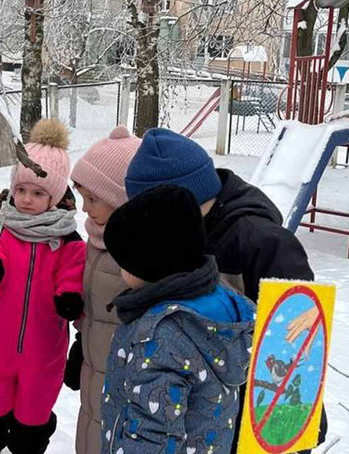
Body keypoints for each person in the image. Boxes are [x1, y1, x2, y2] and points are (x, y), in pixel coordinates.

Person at [124, 128, 325, 450]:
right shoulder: (174, 236)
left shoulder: (261, 242)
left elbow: (299, 335)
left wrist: (292, 426)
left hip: (254, 414)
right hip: (203, 411)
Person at [0, 119, 86, 454]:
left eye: (38, 192)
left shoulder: (68, 241)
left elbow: (73, 274)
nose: (27, 199)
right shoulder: (4, 231)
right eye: (21, 190)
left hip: (44, 350)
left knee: (33, 416)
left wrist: (70, 296)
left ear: (55, 196)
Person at [101, 185, 255, 454]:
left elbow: (152, 435)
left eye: (125, 262)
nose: (121, 270)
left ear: (153, 265)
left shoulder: (160, 339)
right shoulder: (224, 308)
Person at [66, 125, 141, 454]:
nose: (83, 208)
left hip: (125, 380)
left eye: (92, 198)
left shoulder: (139, 253)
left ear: (121, 198)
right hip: (93, 368)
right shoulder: (96, 239)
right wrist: (81, 341)